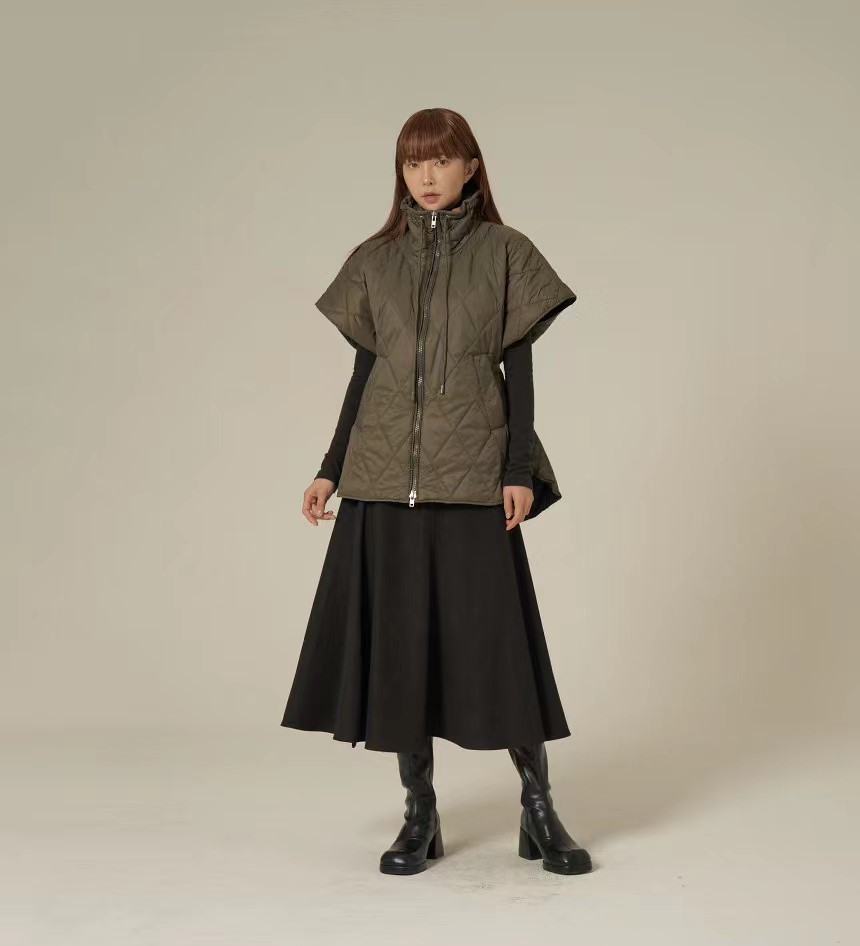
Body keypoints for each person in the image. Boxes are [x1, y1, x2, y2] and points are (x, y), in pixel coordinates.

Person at [281, 107, 592, 877]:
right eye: (413, 162)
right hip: (383, 484)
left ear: (471, 167)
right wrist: (330, 468)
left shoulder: (507, 253)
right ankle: (420, 812)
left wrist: (516, 470)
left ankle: (539, 808)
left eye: (441, 160)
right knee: (400, 654)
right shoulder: (373, 261)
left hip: (473, 477)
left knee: (500, 650)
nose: (426, 176)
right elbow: (366, 375)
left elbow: (519, 374)